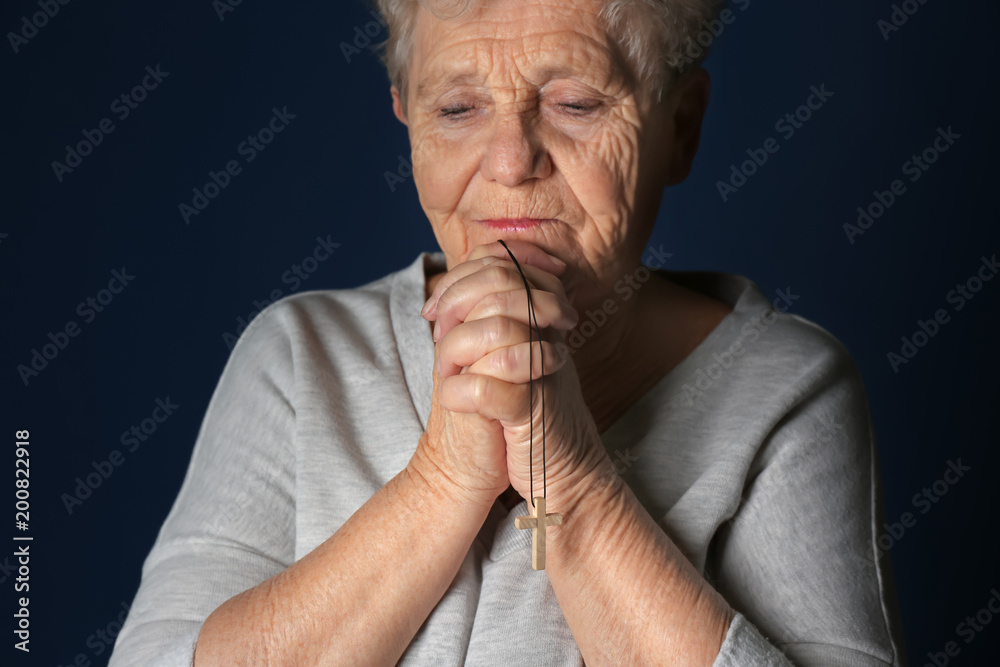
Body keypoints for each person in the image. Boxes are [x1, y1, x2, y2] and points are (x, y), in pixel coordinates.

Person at [109, 0, 906, 664]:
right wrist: (443, 481)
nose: (509, 160)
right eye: (457, 108)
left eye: (575, 104)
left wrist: (575, 479)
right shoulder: (296, 355)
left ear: (681, 127)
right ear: (407, 120)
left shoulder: (788, 390)